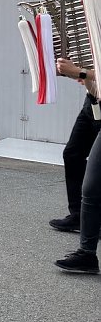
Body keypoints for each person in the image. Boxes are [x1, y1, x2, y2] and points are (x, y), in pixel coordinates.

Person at [54, 63, 101, 274]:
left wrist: (81, 72)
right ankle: (86, 250)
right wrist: (78, 73)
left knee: (92, 187)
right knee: (73, 154)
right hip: (93, 103)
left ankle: (87, 252)